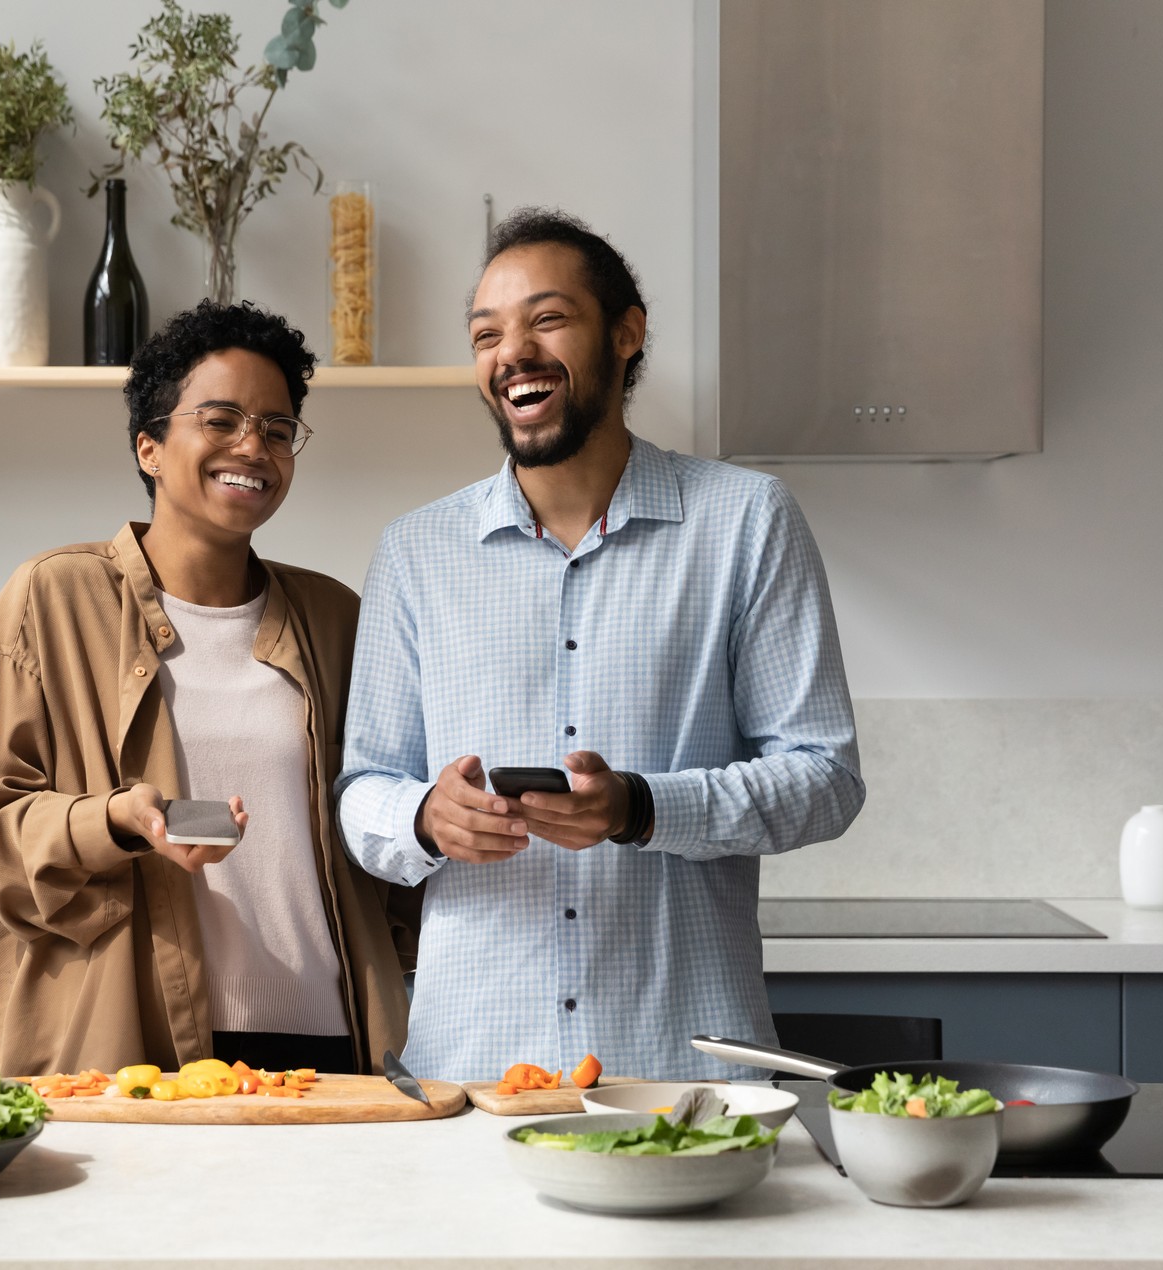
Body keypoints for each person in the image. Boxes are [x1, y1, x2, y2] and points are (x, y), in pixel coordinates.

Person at [335, 209, 865, 1083]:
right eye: (486, 333)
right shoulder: (416, 551)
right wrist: (425, 818)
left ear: (626, 334)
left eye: (546, 319)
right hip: (475, 1073)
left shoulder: (745, 522)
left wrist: (642, 808)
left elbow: (825, 778)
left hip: (681, 1072)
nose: (513, 351)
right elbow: (364, 791)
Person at [0, 300, 410, 1078]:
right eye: (221, 419)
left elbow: (377, 820)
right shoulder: (50, 598)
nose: (252, 447)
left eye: (275, 428)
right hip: (135, 1041)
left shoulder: (336, 617)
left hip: (327, 1041)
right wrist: (115, 820)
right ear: (150, 447)